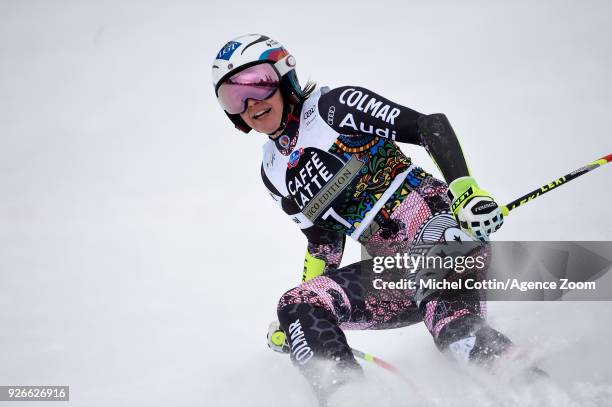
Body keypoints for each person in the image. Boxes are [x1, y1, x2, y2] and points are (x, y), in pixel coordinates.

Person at [212, 34, 514, 405]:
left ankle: (541, 388)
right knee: (296, 303)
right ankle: (349, 396)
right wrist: (299, 322)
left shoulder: (333, 107)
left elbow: (428, 126)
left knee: (456, 333)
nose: (250, 103)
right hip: (391, 271)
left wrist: (466, 192)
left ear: (284, 75)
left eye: (258, 83)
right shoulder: (273, 172)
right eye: (232, 96)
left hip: (439, 231)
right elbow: (323, 244)